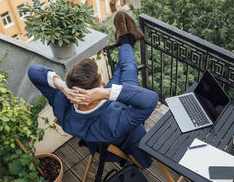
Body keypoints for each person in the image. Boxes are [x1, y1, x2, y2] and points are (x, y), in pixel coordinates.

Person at [27, 11, 158, 168]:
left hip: (95, 133)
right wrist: (105, 93)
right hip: (122, 128)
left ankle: (126, 39)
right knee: (128, 70)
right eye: (101, 73)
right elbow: (150, 99)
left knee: (120, 72)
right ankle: (126, 40)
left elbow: (33, 71)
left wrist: (62, 86)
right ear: (100, 85)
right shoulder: (115, 121)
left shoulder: (62, 104)